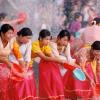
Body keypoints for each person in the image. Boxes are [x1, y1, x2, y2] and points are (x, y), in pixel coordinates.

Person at [31, 29, 66, 100]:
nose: (48, 41)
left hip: (34, 62)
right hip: (28, 62)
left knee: (52, 65)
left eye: (49, 39)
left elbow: (51, 56)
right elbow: (45, 58)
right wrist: (59, 60)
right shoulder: (35, 44)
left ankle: (52, 93)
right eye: (46, 39)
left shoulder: (46, 45)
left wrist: (59, 62)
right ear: (40, 38)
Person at [9, 28, 37, 100]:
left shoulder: (28, 42)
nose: (28, 40)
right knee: (23, 79)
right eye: (27, 38)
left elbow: (28, 57)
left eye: (30, 38)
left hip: (23, 64)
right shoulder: (12, 40)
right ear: (21, 35)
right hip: (11, 64)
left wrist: (26, 68)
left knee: (28, 77)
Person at [0, 24, 19, 100]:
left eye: (12, 33)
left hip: (5, 67)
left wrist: (22, 64)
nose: (11, 35)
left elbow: (18, 54)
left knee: (8, 88)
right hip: (4, 64)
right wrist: (6, 62)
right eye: (9, 33)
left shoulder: (12, 41)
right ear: (2, 33)